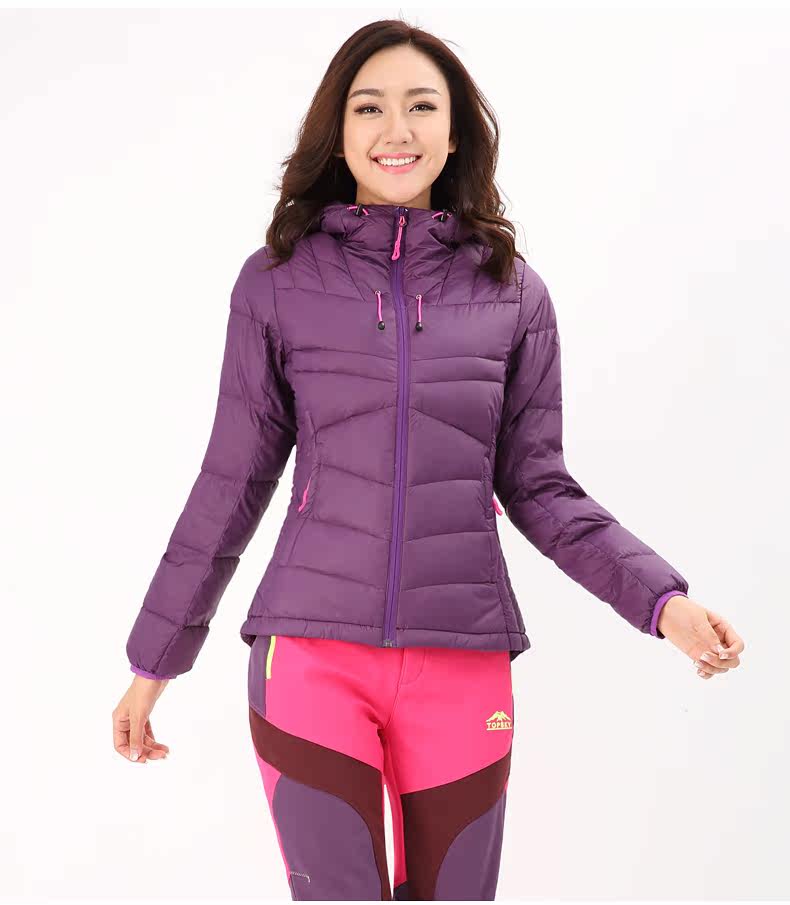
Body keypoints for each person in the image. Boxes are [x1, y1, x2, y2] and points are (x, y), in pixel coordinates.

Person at [112, 20, 745, 901]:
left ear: (455, 135)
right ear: (338, 131)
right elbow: (232, 480)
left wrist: (662, 601)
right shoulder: (278, 281)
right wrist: (155, 662)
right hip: (311, 657)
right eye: (370, 108)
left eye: (422, 106)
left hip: (463, 658)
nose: (396, 129)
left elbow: (541, 487)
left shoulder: (512, 292)